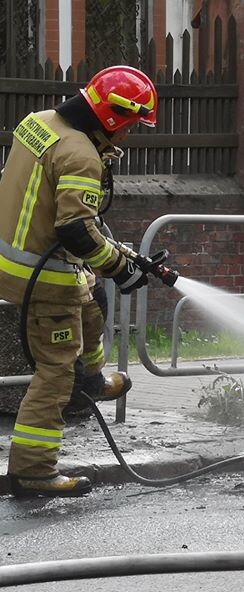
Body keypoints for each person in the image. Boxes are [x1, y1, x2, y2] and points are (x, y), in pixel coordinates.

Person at [0, 66, 159, 498]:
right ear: (112, 118)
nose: (129, 134)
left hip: (16, 256)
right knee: (53, 373)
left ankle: (90, 379)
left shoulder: (39, 123)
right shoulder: (82, 156)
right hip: (41, 275)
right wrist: (121, 269)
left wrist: (116, 259)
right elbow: (76, 231)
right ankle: (34, 472)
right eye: (129, 125)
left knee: (91, 303)